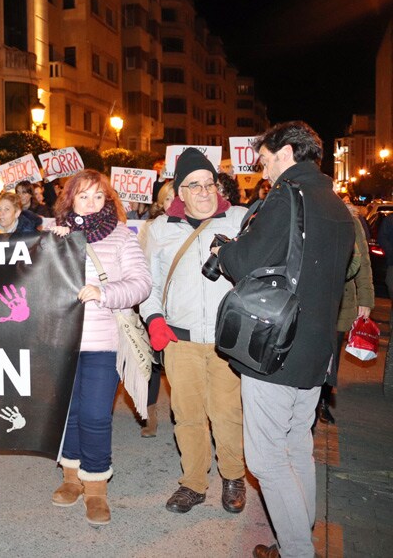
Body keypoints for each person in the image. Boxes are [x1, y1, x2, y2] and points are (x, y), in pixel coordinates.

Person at [215, 122, 356, 558]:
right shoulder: (335, 202)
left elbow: (245, 261)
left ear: (287, 152)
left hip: (277, 349)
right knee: (296, 448)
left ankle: (297, 550)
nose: (260, 162)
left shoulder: (286, 196)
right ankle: (296, 539)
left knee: (266, 460)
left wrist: (224, 252)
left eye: (265, 155)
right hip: (316, 351)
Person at [139, 147, 248, 515]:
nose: (203, 192)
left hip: (226, 341)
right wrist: (153, 319)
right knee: (186, 415)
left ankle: (233, 476)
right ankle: (193, 483)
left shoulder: (239, 220)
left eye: (209, 184)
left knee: (227, 412)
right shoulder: (158, 230)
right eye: (194, 185)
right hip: (178, 340)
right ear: (179, 192)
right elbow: (148, 285)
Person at [48, 170, 151, 526]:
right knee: (67, 414)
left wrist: (104, 294)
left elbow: (141, 284)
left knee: (94, 415)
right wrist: (52, 245)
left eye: (98, 196)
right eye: (83, 196)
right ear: (70, 199)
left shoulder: (122, 236)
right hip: (61, 343)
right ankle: (70, 478)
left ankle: (96, 488)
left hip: (102, 343)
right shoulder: (54, 233)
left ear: (108, 199)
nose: (90, 203)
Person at [320, 212, 373, 425]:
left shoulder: (349, 220)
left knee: (332, 355)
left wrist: (366, 299)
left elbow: (364, 261)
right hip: (314, 298)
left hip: (343, 300)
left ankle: (324, 400)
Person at [135, 180, 176, 438]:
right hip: (154, 301)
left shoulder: (193, 225)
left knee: (178, 363)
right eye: (168, 199)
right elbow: (141, 262)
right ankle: (150, 414)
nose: (173, 203)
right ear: (160, 204)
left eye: (177, 198)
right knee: (151, 362)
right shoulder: (150, 228)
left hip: (180, 306)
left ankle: (180, 409)